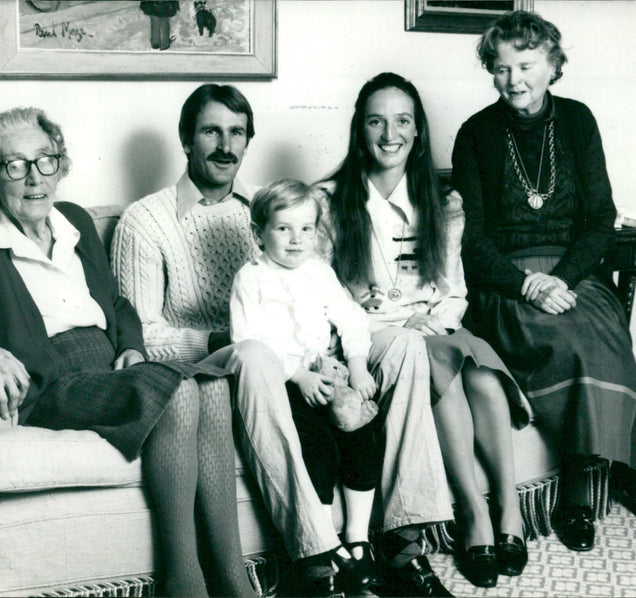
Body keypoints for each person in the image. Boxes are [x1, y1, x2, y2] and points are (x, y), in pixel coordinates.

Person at [111, 83, 454, 597]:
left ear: (248, 140)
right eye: (211, 131)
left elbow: (327, 300)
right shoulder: (146, 220)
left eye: (237, 133)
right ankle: (317, 556)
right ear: (186, 139)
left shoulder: (273, 210)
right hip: (225, 367)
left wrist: (347, 361)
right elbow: (145, 336)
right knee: (254, 351)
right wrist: (242, 342)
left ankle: (405, 539)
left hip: (302, 359)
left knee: (403, 346)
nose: (226, 145)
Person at [0, 107, 255, 598]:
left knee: (212, 385)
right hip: (52, 381)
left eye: (45, 161)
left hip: (111, 368)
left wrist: (131, 348)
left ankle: (234, 581)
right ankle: (184, 584)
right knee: (175, 392)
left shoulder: (73, 222)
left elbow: (116, 303)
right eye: (16, 165)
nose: (35, 178)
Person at [450, 10, 636, 553]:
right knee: (565, 338)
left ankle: (618, 469)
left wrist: (563, 279)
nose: (513, 80)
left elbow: (600, 218)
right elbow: (471, 241)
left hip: (572, 273)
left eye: (525, 65)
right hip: (506, 282)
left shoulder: (577, 120)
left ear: (552, 66)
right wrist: (528, 284)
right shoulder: (475, 133)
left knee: (605, 324)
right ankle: (577, 490)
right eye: (500, 69)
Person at [317, 71, 532, 589]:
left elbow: (454, 290)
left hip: (433, 328)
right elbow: (319, 297)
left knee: (480, 374)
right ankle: (473, 519)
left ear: (417, 133)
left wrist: (435, 319)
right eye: (376, 121)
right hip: (371, 338)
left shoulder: (443, 204)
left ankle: (507, 511)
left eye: (402, 121)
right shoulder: (328, 201)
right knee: (440, 361)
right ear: (359, 130)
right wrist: (383, 322)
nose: (390, 133)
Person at [230, 178, 383, 594]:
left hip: (327, 373)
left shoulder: (319, 272)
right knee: (315, 445)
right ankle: (325, 550)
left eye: (306, 229)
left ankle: (358, 538)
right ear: (258, 231)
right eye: (283, 229)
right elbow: (249, 339)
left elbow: (351, 318)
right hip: (284, 385)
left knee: (365, 432)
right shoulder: (251, 279)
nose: (296, 240)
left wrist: (356, 365)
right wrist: (297, 374)